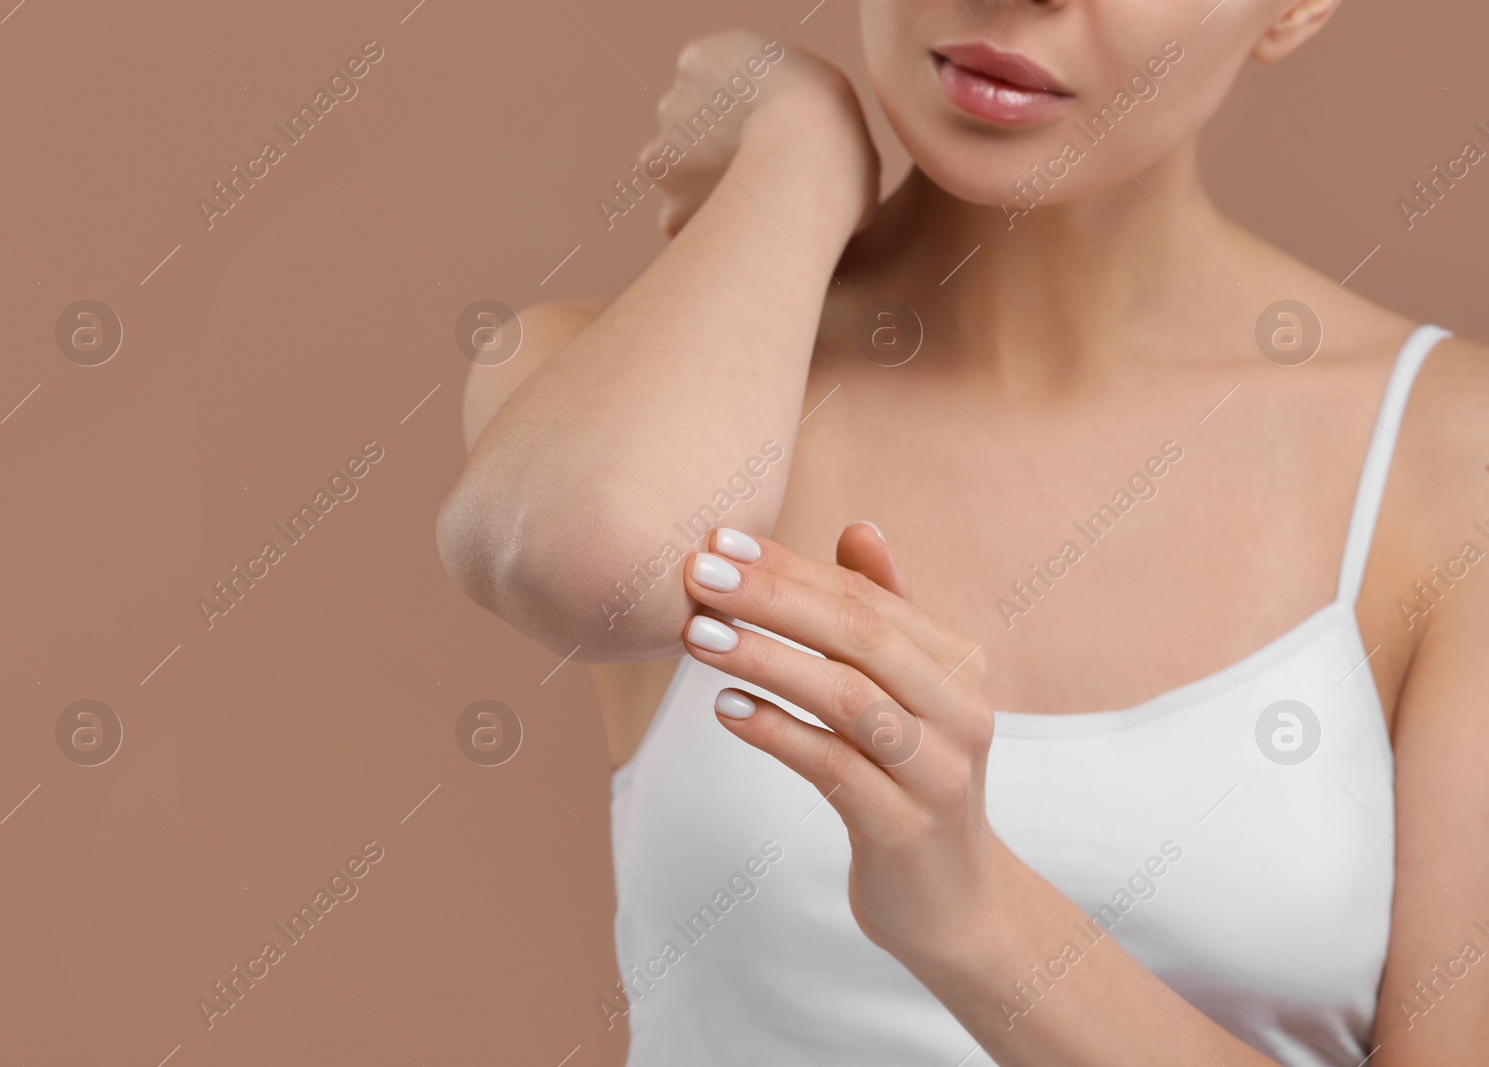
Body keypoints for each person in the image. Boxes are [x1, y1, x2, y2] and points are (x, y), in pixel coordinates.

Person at [438, 2, 1489, 1063]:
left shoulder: (1449, 460)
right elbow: (591, 559)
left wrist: (974, 918)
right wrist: (800, 145)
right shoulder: (633, 388)